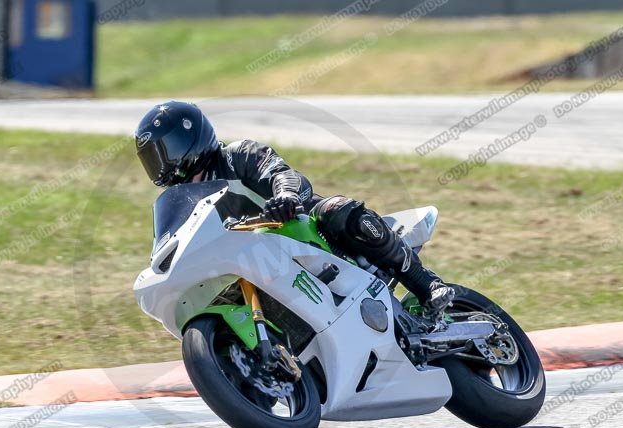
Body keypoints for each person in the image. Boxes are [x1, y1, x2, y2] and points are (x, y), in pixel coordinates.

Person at [135, 101, 454, 315]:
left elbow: (281, 173)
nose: (162, 163)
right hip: (249, 265)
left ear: (190, 138)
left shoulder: (238, 155)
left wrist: (286, 197)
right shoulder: (182, 200)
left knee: (337, 210)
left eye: (165, 150)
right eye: (153, 157)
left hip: (300, 232)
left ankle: (426, 284)